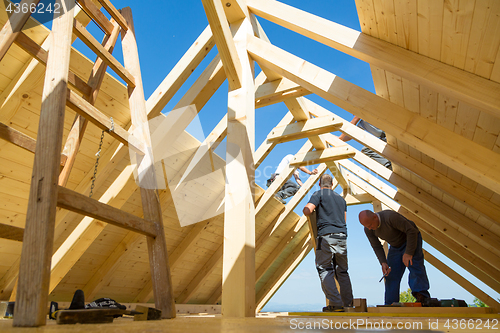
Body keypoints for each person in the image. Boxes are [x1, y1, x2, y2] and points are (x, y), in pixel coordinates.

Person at [303, 174, 353, 312]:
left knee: (324, 268)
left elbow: (308, 210)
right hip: (342, 237)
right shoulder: (341, 199)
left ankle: (336, 304)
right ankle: (348, 304)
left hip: (326, 236)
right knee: (342, 271)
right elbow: (344, 219)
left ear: (320, 183)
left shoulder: (318, 194)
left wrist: (308, 210)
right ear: (333, 184)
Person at [359, 210, 430, 305]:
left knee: (415, 266)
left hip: (410, 239)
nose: (370, 228)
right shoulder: (368, 230)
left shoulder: (390, 217)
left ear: (375, 217)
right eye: (367, 226)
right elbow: (376, 246)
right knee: (391, 275)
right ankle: (390, 304)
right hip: (395, 246)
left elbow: (411, 231)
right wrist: (383, 262)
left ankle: (422, 298)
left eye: (370, 225)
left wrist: (408, 252)